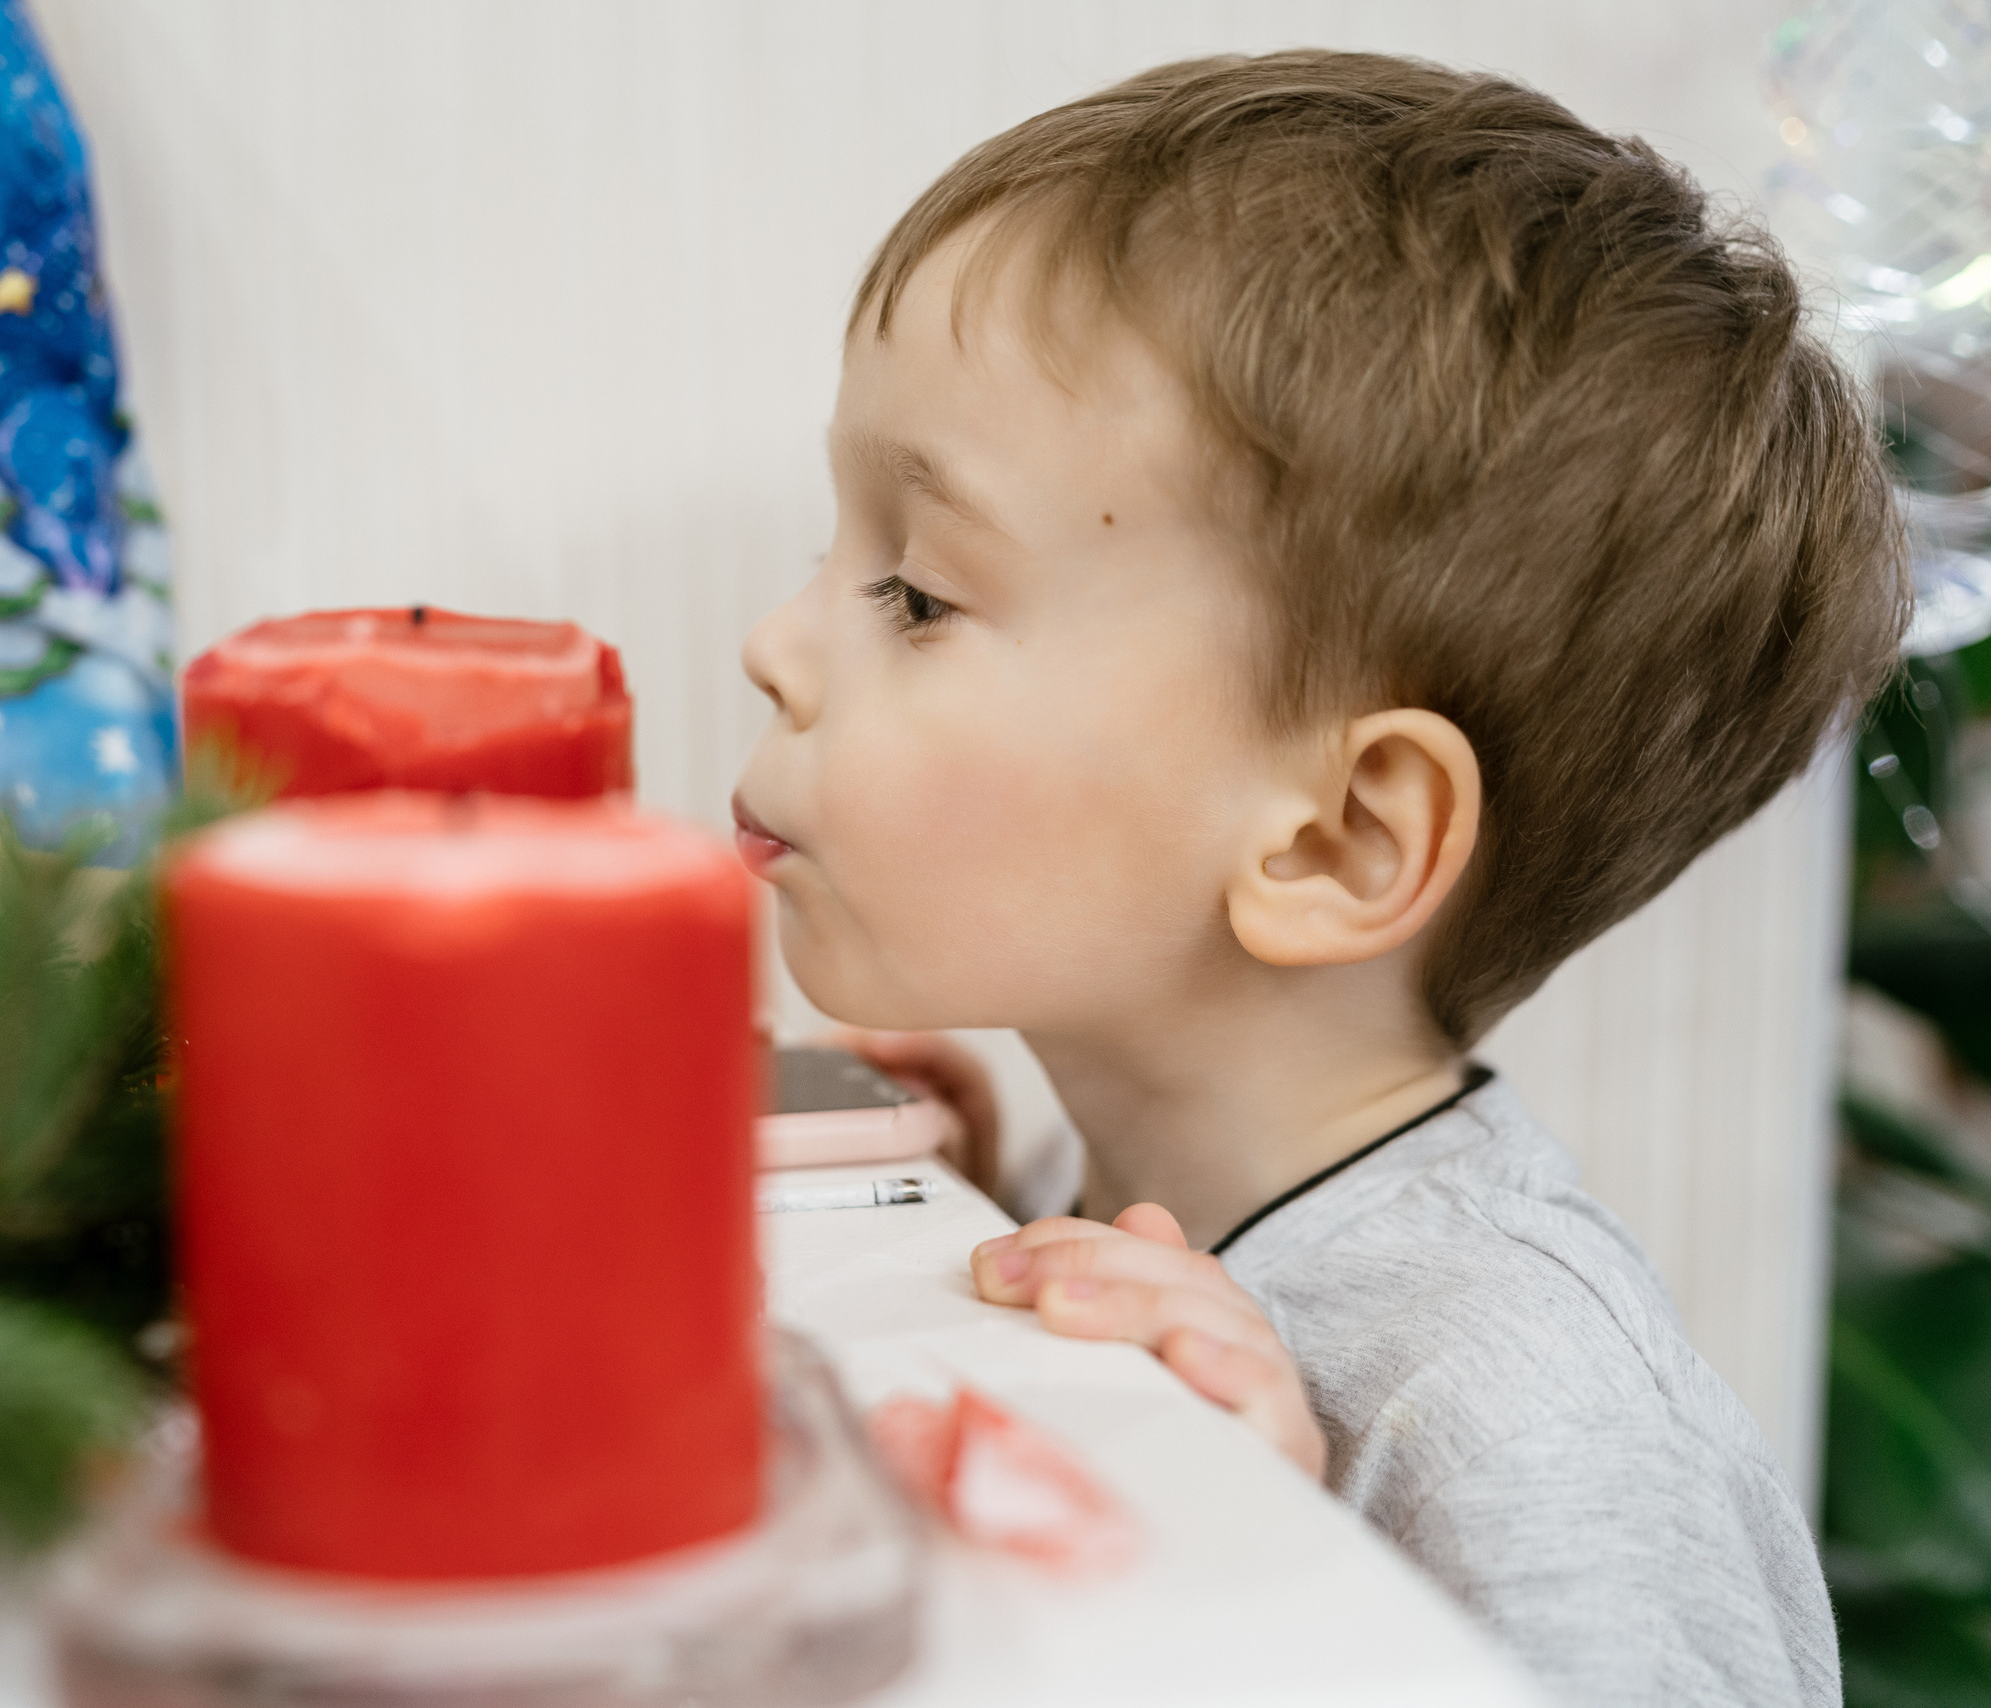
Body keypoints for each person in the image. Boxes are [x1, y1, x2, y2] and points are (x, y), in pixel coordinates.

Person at [731, 51, 1904, 1708]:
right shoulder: (1128, 1176)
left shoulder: (1528, 1414)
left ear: (1338, 841)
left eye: (915, 594)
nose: (772, 646)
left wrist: (1260, 1595)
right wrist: (991, 1203)